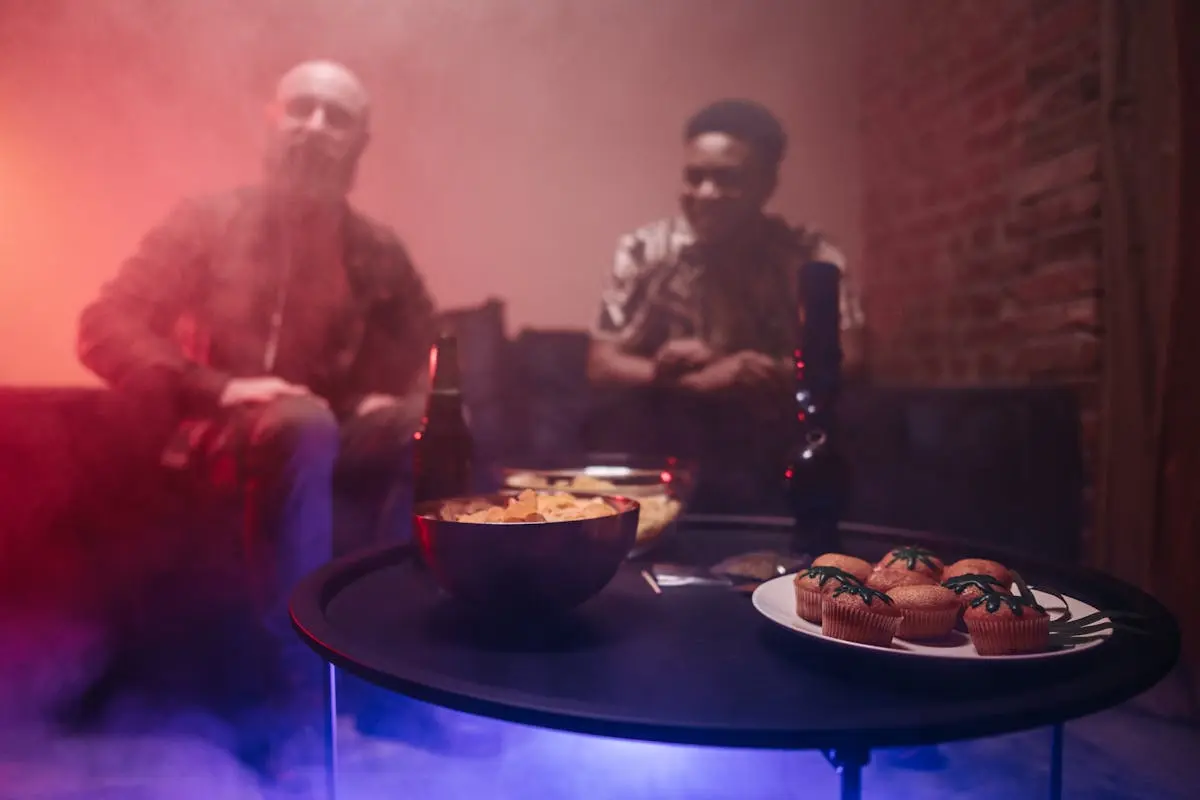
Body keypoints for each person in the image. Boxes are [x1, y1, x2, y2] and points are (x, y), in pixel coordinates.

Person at [76, 60, 440, 778]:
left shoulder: (376, 251)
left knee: (422, 435)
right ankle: (296, 703)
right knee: (304, 425)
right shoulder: (204, 222)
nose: (315, 127)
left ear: (359, 144)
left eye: (336, 118)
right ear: (272, 120)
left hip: (328, 435)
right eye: (301, 108)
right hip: (214, 433)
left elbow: (436, 361)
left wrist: (406, 405)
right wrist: (213, 386)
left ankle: (398, 685)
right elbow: (103, 325)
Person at [587, 99, 864, 512]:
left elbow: (853, 358)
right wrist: (688, 379)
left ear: (767, 184)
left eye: (727, 179)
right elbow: (602, 363)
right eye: (694, 177)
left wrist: (757, 371)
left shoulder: (811, 254)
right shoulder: (643, 250)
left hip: (775, 445)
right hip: (667, 449)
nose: (706, 194)